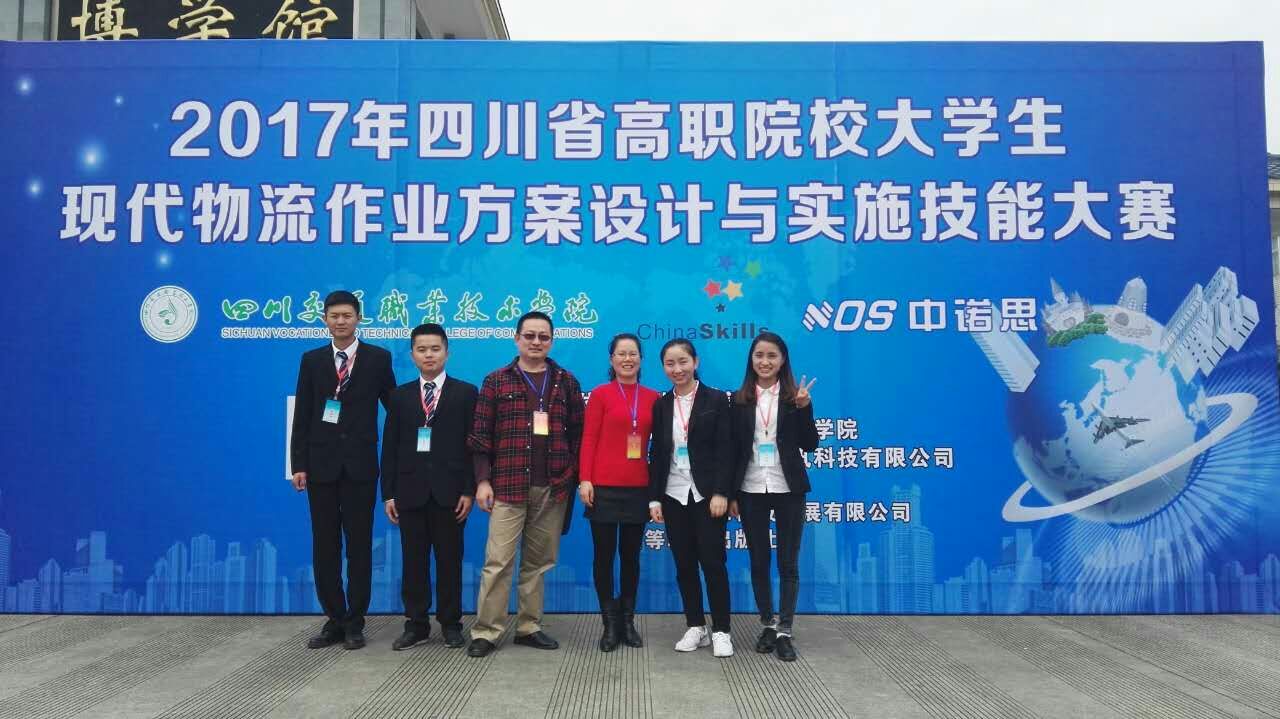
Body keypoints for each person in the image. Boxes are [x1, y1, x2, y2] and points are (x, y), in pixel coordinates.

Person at [466, 311, 585, 658]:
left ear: (552, 341)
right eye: (529, 335)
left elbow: (579, 434)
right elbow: (480, 436)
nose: (536, 342)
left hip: (553, 487)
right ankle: (487, 631)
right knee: (498, 561)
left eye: (543, 337)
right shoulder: (496, 381)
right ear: (516, 338)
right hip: (507, 484)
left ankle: (529, 626)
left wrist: (570, 475)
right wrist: (482, 480)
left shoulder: (566, 381)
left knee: (538, 562)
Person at [289, 290, 396, 651]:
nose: (340, 321)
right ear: (325, 319)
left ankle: (355, 621)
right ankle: (334, 618)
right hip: (320, 466)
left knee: (359, 545)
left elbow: (395, 407)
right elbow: (303, 414)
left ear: (358, 319)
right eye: (334, 316)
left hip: (360, 466)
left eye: (347, 315)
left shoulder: (378, 358)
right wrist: (299, 464)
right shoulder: (312, 360)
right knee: (325, 544)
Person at [380, 323, 477, 650]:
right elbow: (390, 447)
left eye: (435, 349)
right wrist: (388, 493)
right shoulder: (399, 396)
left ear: (447, 352)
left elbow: (473, 447)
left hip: (451, 494)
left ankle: (451, 624)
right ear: (412, 355)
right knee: (413, 562)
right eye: (422, 349)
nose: (429, 355)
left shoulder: (466, 393)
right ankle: (416, 624)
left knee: (450, 561)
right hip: (410, 492)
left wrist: (468, 490)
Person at [728, 332, 818, 663]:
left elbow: (810, 444)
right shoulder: (738, 400)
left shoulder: (795, 398)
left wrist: (804, 409)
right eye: (759, 355)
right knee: (759, 560)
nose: (765, 362)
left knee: (788, 563)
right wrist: (731, 494)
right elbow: (732, 451)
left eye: (772, 356)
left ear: (782, 361)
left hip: (788, 489)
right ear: (751, 360)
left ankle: (785, 631)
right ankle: (767, 624)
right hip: (751, 488)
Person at [647, 338, 734, 658]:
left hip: (707, 496)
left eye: (683, 361)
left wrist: (722, 492)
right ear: (663, 367)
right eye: (670, 363)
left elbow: (727, 449)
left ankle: (722, 630)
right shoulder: (661, 405)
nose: (677, 369)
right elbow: (658, 455)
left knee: (713, 563)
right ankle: (696, 626)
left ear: (695, 362)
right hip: (673, 495)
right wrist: (654, 499)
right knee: (684, 565)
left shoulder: (716, 399)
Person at [578, 333, 659, 652]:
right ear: (611, 359)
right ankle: (609, 623)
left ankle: (627, 621)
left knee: (630, 558)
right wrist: (585, 479)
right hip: (603, 488)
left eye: (633, 353)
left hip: (638, 487)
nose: (628, 359)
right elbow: (588, 439)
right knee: (603, 557)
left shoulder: (653, 397)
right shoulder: (600, 394)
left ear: (641, 359)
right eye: (621, 354)